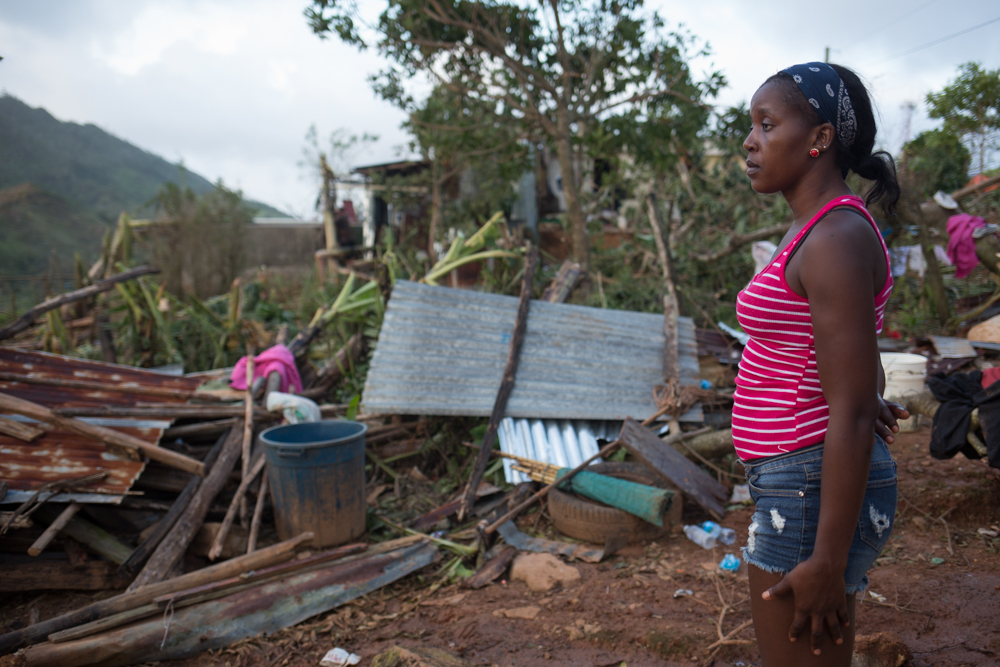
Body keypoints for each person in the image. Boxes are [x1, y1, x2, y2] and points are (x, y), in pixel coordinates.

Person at [733, 62, 909, 666]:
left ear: (820, 139)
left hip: (808, 489)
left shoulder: (832, 238)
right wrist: (862, 397)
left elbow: (854, 407)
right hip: (799, 480)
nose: (750, 142)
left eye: (766, 123)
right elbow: (856, 361)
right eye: (750, 125)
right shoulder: (816, 229)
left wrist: (827, 560)